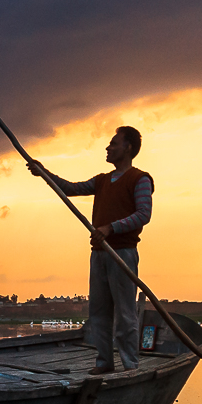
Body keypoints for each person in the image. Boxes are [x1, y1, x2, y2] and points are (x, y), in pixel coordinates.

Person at [27, 126, 152, 372]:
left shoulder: (140, 179)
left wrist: (111, 228)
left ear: (127, 148)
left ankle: (130, 366)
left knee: (125, 314)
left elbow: (143, 215)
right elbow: (71, 189)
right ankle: (104, 363)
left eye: (114, 143)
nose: (108, 147)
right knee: (99, 312)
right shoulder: (103, 180)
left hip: (122, 254)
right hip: (99, 254)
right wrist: (44, 173)